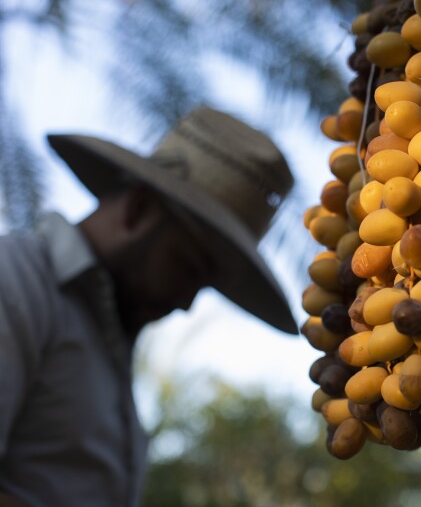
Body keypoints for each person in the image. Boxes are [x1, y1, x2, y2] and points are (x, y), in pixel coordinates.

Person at [0, 105, 297, 507]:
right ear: (138, 210)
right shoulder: (15, 280)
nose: (188, 302)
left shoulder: (106, 337)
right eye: (189, 268)